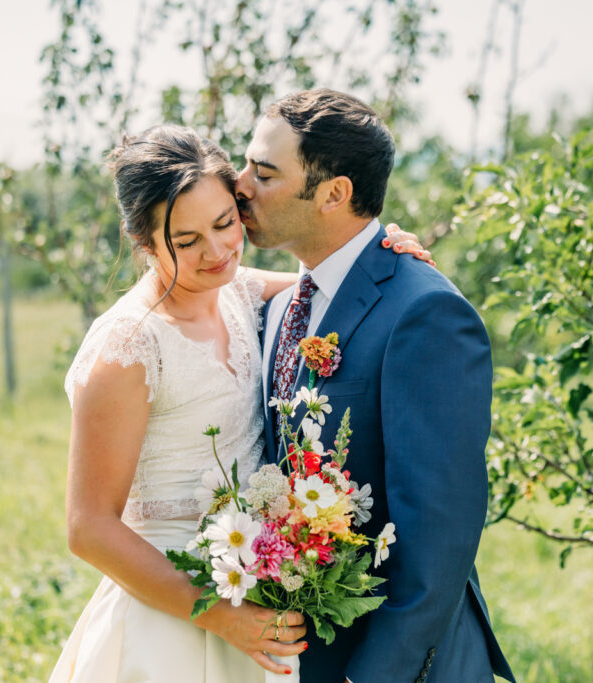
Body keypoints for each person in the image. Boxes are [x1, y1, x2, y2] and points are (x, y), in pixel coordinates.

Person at [49, 124, 430, 682]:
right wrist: (220, 615)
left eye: (225, 223)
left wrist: (387, 253)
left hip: (255, 589)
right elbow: (88, 527)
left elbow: (335, 279)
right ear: (145, 243)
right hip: (169, 615)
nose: (217, 250)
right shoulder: (128, 347)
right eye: (186, 241)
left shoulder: (238, 289)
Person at [235, 89, 516, 683]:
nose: (241, 184)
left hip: (395, 664)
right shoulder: (280, 302)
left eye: (264, 172)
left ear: (334, 193)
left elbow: (438, 540)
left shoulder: (426, 313)